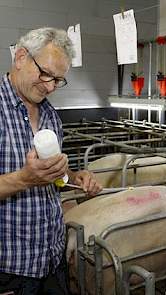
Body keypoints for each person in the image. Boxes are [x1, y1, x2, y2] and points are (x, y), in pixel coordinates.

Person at [0, 27, 102, 295]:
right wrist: (23, 179)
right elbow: (32, 176)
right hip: (9, 269)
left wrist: (73, 177)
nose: (49, 86)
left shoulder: (50, 115)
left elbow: (56, 177)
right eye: (45, 74)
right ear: (21, 57)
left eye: (58, 80)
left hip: (52, 263)